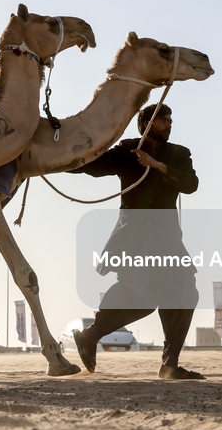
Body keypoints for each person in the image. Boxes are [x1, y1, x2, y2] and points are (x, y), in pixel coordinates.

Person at [69, 103, 205, 379]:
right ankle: (92, 336)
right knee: (144, 297)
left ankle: (169, 364)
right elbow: (91, 166)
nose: (169, 123)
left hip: (167, 240)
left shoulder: (179, 154)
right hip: (135, 239)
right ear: (145, 124)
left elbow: (190, 184)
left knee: (184, 293)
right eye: (162, 119)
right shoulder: (128, 151)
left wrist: (158, 166)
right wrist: (53, 158)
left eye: (170, 119)